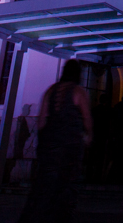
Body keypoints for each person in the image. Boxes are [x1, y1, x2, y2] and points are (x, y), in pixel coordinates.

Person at [18, 60, 92, 223]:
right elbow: (87, 119)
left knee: (43, 187)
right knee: (66, 187)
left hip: (50, 146)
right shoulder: (78, 92)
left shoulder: (51, 91)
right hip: (70, 147)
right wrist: (88, 137)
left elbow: (42, 120)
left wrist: (44, 141)